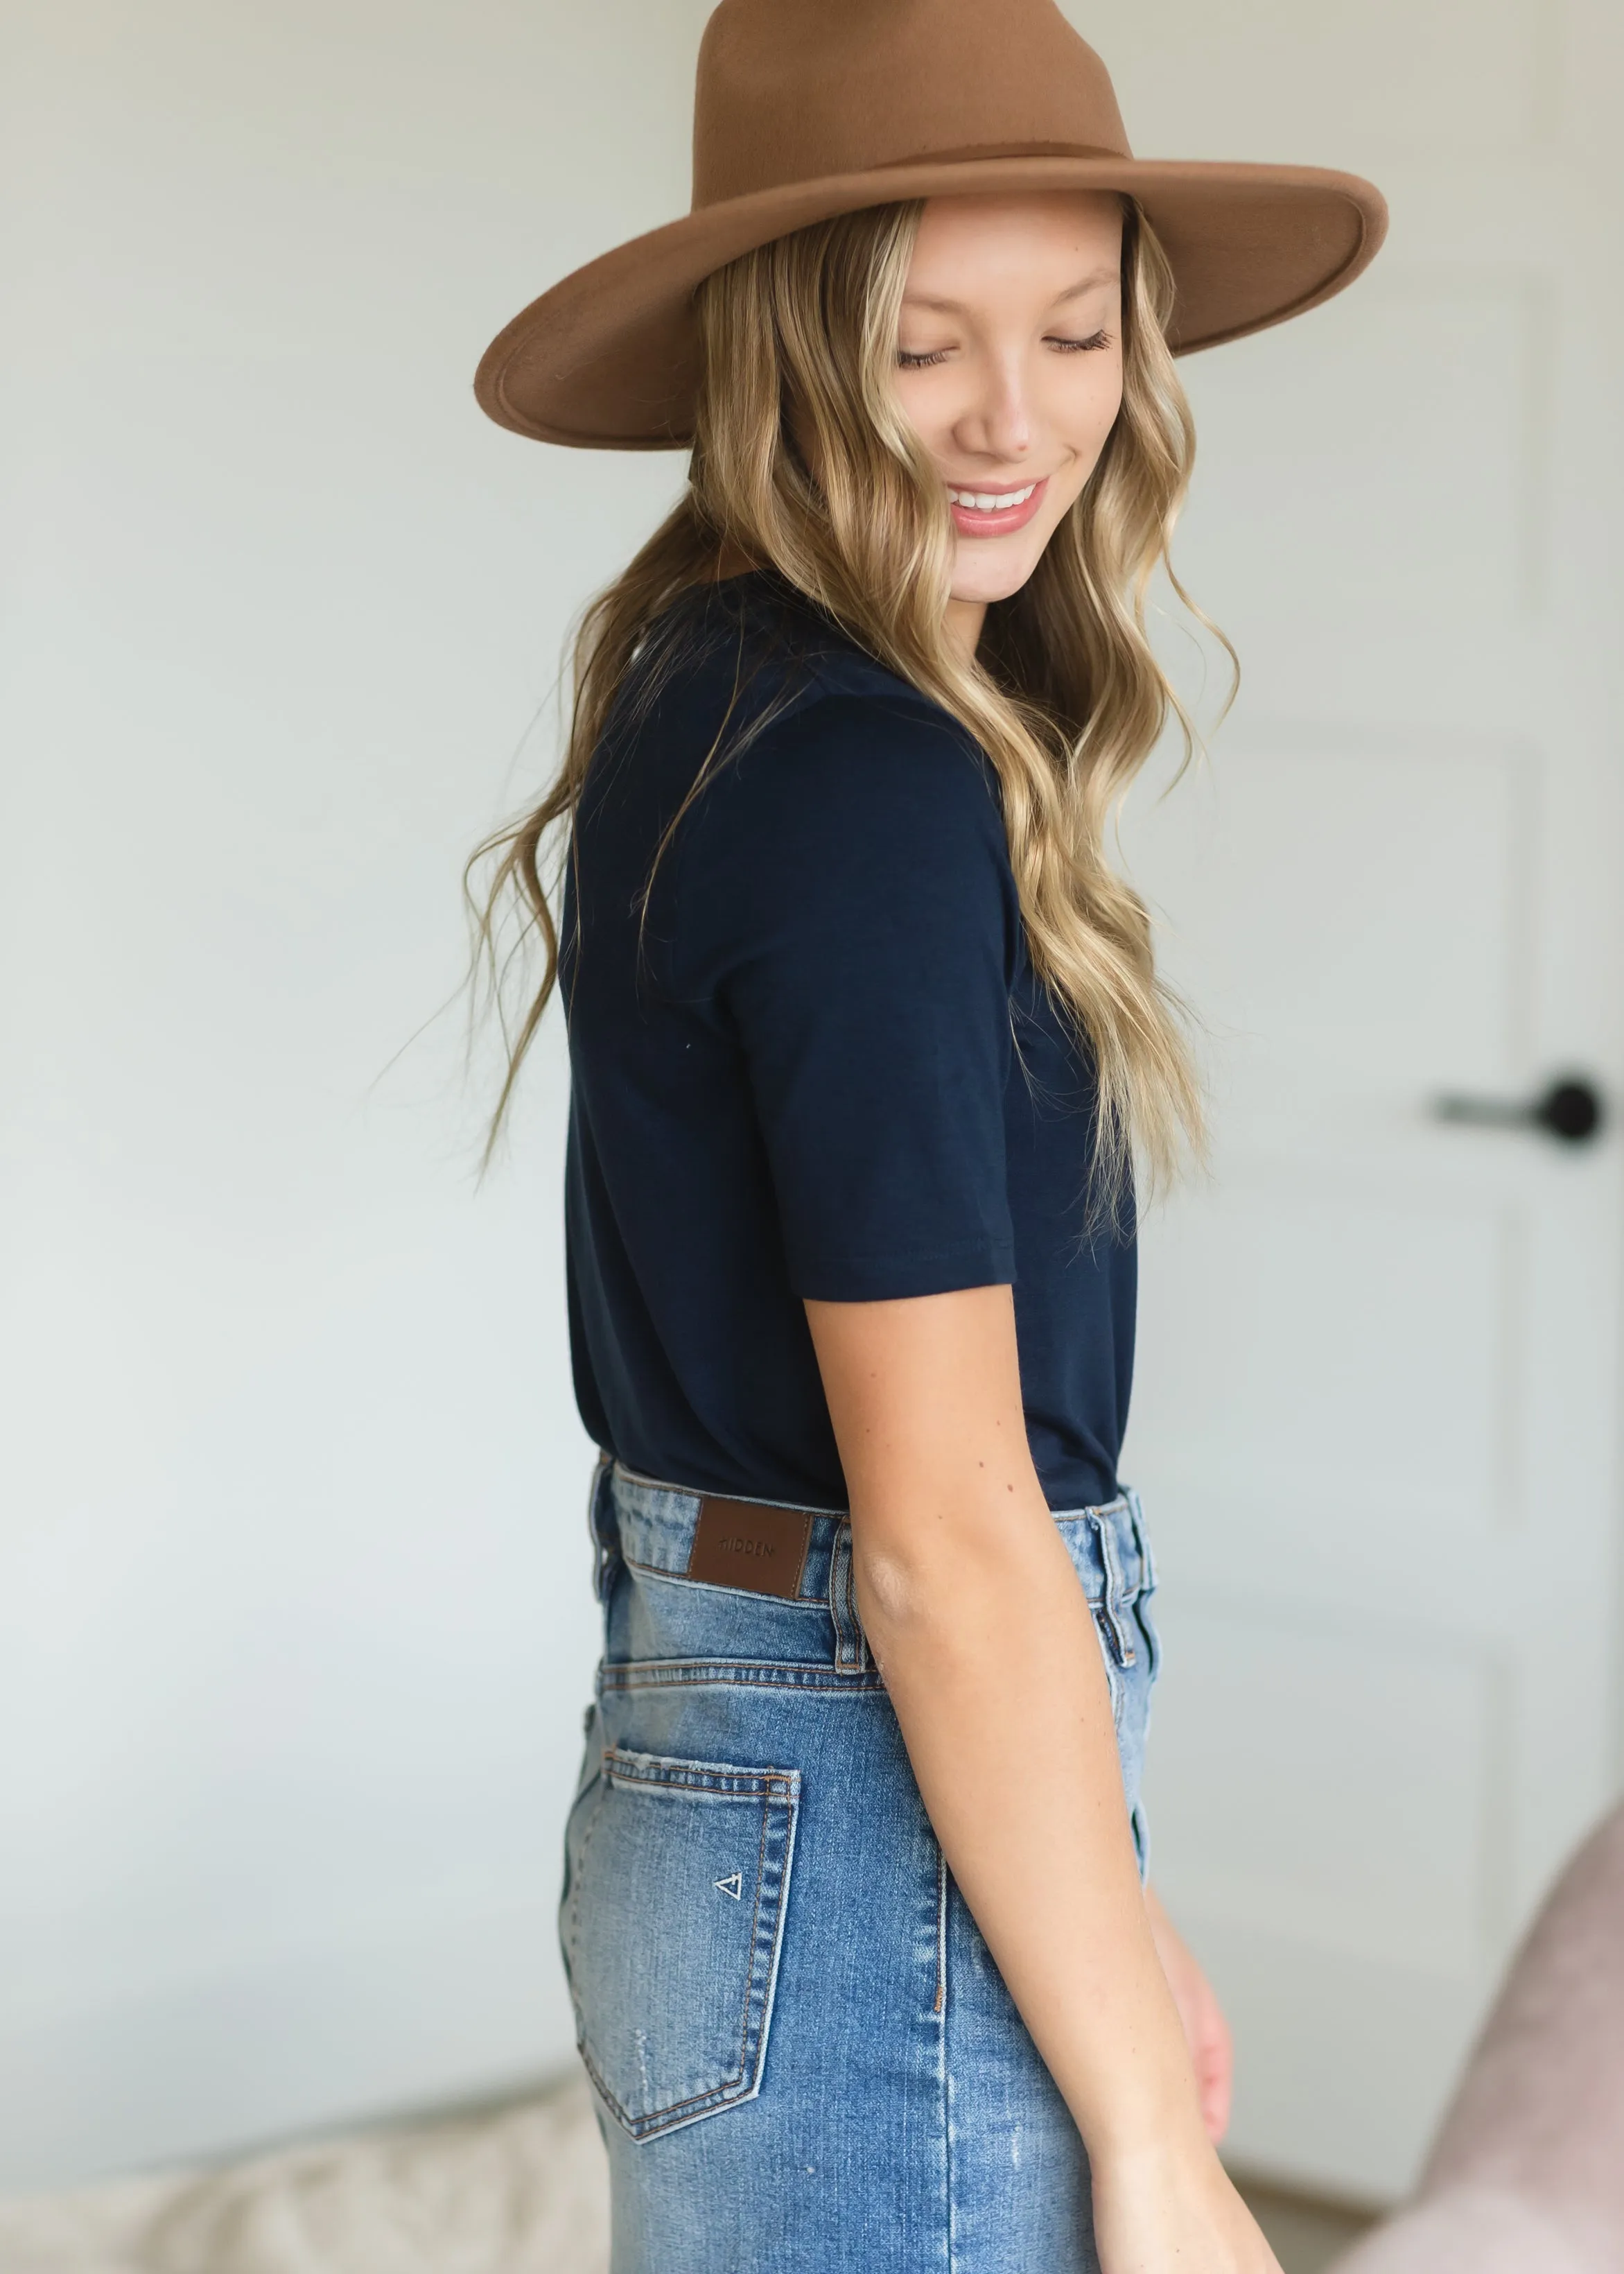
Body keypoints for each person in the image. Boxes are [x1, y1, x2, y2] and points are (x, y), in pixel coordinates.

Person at [470, 3, 1386, 2268]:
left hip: (802, 1775)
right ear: (784, 359)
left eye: (1076, 330)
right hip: (869, 1784)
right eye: (921, 348)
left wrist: (1101, 1913)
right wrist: (1155, 2155)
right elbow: (945, 1537)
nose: (1018, 419)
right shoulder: (861, 776)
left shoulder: (715, 681)